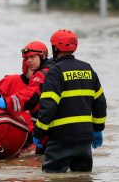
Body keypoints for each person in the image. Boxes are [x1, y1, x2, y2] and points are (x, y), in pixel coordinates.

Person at [33, 29, 107, 173]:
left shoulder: (55, 71)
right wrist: (98, 129)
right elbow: (100, 103)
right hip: (84, 138)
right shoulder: (88, 69)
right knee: (83, 180)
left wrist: (39, 132)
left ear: (55, 48)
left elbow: (48, 106)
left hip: (61, 138)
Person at [0, 41, 53, 145]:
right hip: (56, 130)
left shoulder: (41, 76)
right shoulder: (56, 71)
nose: (29, 61)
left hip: (45, 132)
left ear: (43, 56)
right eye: (27, 59)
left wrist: (7, 102)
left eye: (32, 57)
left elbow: (29, 97)